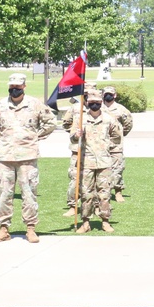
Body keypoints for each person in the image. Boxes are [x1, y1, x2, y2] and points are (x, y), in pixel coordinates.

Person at [0, 73, 56, 243]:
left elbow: (51, 122)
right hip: (5, 157)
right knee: (4, 194)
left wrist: (35, 135)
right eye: (12, 87)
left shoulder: (35, 104)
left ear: (24, 87)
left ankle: (31, 229)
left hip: (28, 156)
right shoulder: (0, 106)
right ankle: (3, 229)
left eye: (18, 87)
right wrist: (6, 138)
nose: (15, 90)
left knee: (29, 194)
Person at [69, 90, 121, 233]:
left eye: (97, 103)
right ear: (87, 103)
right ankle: (85, 222)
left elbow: (117, 136)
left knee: (104, 193)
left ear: (101, 103)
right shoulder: (80, 119)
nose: (94, 105)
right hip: (86, 162)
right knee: (86, 194)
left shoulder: (109, 119)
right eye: (91, 103)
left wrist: (106, 146)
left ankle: (105, 221)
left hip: (104, 162)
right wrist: (76, 135)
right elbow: (72, 137)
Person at [61, 81, 96, 217]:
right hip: (78, 149)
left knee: (95, 180)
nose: (88, 96)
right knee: (75, 178)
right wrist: (75, 134)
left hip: (95, 150)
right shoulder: (76, 108)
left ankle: (96, 206)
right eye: (86, 94)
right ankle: (73, 205)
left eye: (91, 93)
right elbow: (66, 123)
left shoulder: (100, 108)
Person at [101, 86, 134, 202]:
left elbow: (128, 124)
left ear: (115, 95)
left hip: (116, 145)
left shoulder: (121, 110)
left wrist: (119, 134)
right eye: (106, 93)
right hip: (100, 144)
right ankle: (103, 192)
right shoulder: (98, 108)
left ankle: (118, 191)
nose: (108, 96)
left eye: (111, 94)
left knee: (117, 169)